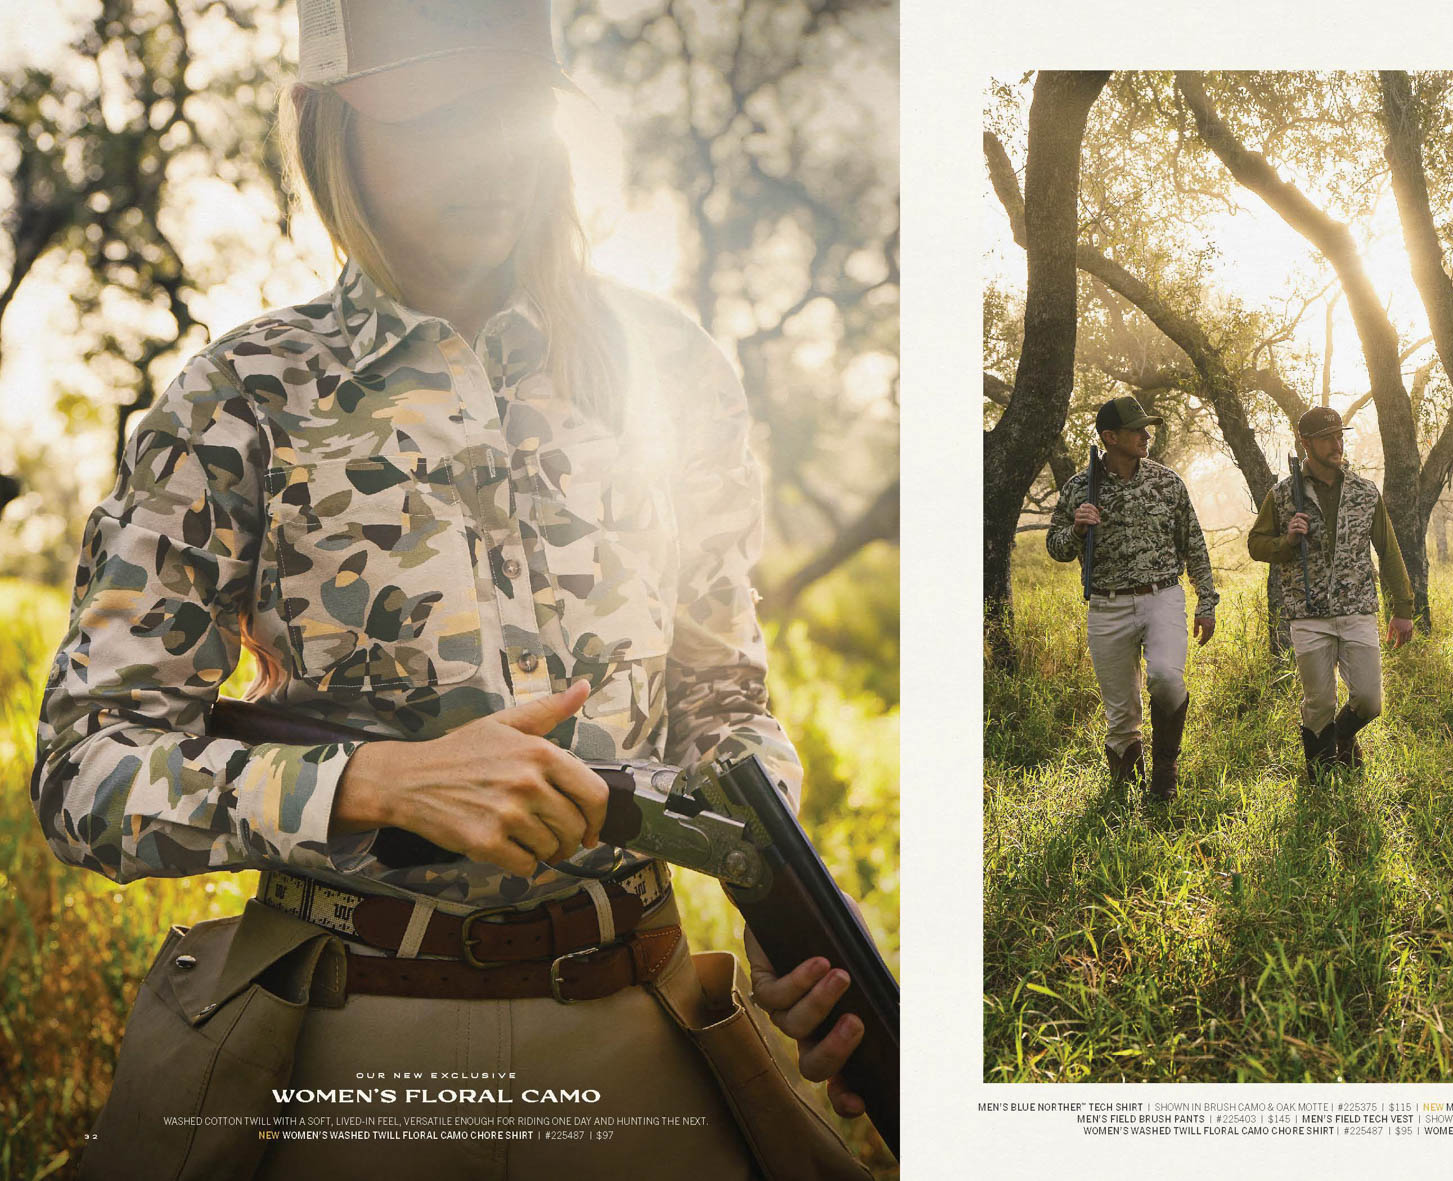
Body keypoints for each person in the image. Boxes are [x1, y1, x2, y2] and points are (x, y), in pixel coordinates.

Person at [31, 3, 868, 1176]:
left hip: (643, 1022)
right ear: (335, 131)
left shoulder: (673, 370)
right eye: (439, 117)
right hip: (341, 1045)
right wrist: (375, 781)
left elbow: (722, 698)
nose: (491, 156)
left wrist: (781, 895)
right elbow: (85, 767)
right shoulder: (243, 394)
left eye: (512, 112)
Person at [1045, 395, 1218, 800]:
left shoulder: (1166, 482)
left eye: (1146, 427)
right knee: (1121, 715)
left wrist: (1205, 602)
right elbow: (1056, 548)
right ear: (1110, 437)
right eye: (1136, 429)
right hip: (1107, 604)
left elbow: (1194, 545)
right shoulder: (1079, 488)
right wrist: (1077, 529)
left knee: (1166, 680)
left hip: (1163, 597)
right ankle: (1125, 788)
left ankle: (1165, 775)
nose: (1145, 435)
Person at [1249, 406, 1414, 780]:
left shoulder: (1363, 491)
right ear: (1305, 444)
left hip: (1357, 608)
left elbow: (1388, 550)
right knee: (1319, 701)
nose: (1336, 444)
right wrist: (1287, 540)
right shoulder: (1283, 495)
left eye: (1339, 436)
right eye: (1327, 439)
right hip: (1307, 613)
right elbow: (1256, 545)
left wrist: (1402, 607)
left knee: (1370, 701)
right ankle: (1321, 779)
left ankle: (1340, 739)